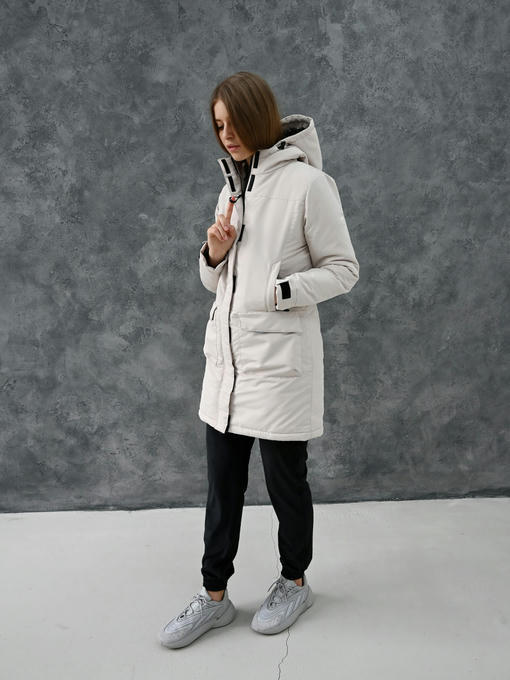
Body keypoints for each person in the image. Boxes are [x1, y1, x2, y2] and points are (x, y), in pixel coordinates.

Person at [159, 72, 360, 649]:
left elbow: (344, 269)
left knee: (284, 485)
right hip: (226, 367)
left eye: (235, 123)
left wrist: (281, 291)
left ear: (260, 117)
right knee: (221, 487)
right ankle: (213, 597)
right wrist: (213, 253)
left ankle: (294, 582)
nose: (226, 135)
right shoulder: (231, 189)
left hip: (279, 368)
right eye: (218, 125)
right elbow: (215, 283)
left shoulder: (308, 185)